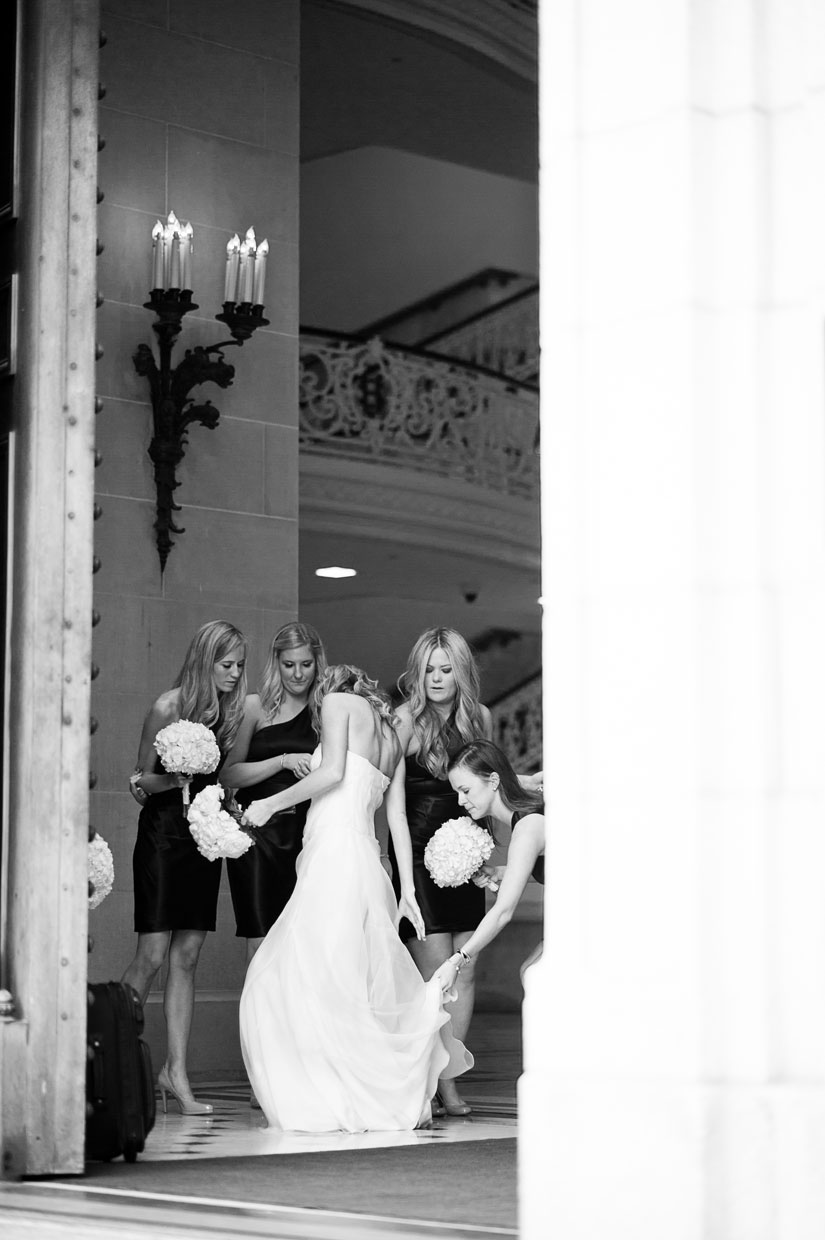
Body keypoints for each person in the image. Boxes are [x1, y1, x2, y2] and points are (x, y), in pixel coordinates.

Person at [238, 664, 472, 1133]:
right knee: (349, 978)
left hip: (335, 857)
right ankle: (362, 1089)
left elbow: (331, 772)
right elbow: (397, 816)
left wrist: (269, 804)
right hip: (368, 864)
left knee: (292, 976)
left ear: (330, 687)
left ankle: (333, 1095)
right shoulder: (389, 732)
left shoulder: (338, 704)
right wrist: (406, 890)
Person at [122, 619, 247, 1116]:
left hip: (203, 837)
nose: (236, 674)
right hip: (161, 836)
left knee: (188, 954)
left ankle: (176, 1072)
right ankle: (115, 1055)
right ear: (204, 660)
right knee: (152, 953)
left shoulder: (231, 715)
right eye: (226, 664)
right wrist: (176, 777)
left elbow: (229, 781)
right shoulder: (167, 707)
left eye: (239, 665)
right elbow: (138, 783)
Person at [389, 626, 493, 1116]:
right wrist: (403, 879)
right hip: (416, 857)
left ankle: (451, 1078)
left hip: (465, 856)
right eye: (428, 668)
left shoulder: (480, 719)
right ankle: (427, 1080)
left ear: (461, 671)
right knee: (434, 975)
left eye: (445, 668)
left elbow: (489, 797)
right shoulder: (404, 720)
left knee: (465, 972)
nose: (435, 677)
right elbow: (389, 804)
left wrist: (484, 858)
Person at [220, 622, 326, 961]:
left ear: (317, 663)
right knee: (261, 940)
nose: (298, 674)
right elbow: (229, 774)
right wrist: (282, 761)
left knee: (303, 943)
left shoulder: (327, 710)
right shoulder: (255, 706)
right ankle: (257, 1015)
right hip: (258, 836)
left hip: (308, 835)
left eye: (306, 665)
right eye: (289, 665)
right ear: (276, 663)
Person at [433, 740, 545, 996]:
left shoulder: (528, 827)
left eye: (466, 790)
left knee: (535, 977)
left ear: (493, 781)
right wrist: (501, 872)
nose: (461, 801)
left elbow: (504, 911)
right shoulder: (525, 819)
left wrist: (457, 960)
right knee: (531, 973)